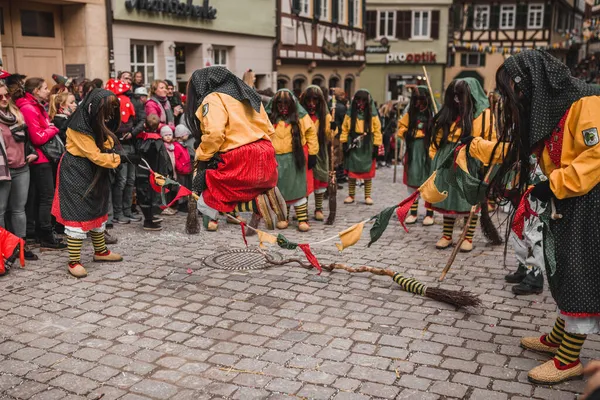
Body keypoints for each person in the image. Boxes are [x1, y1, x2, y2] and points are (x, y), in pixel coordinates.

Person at [465, 49, 600, 385]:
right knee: (562, 270)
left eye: (516, 88)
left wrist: (554, 185)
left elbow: (596, 155)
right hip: (569, 202)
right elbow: (517, 150)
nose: (516, 97)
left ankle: (568, 358)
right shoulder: (550, 110)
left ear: (532, 82)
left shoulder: (586, 102)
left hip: (589, 207)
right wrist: (475, 146)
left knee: (578, 275)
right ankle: (559, 335)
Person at [185, 66, 285, 232]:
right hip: (265, 150)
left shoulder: (213, 98)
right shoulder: (248, 95)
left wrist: (202, 155)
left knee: (209, 195)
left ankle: (257, 204)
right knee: (244, 191)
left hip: (239, 155)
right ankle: (263, 200)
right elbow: (269, 129)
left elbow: (215, 133)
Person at [52, 88, 126, 278]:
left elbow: (105, 140)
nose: (110, 115)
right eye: (107, 111)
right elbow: (94, 155)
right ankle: (74, 261)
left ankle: (100, 252)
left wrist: (113, 149)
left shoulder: (95, 119)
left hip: (93, 170)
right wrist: (118, 159)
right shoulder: (78, 126)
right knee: (78, 213)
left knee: (97, 208)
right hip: (76, 169)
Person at [427, 78, 495, 252]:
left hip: (471, 161)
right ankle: (447, 235)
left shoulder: (484, 115)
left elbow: (491, 140)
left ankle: (468, 237)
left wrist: (485, 161)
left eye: (461, 95)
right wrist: (435, 157)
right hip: (448, 160)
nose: (457, 100)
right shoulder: (449, 113)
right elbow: (437, 138)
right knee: (448, 198)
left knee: (469, 199)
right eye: (454, 95)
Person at [14, 78, 65, 250]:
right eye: (44, 88)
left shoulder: (36, 106)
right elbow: (38, 137)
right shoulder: (28, 108)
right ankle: (45, 235)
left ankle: (40, 232)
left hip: (44, 158)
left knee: (42, 198)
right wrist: (53, 128)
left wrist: (48, 128)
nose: (47, 90)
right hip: (40, 159)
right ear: (35, 91)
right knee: (46, 198)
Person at [267, 89, 318, 232]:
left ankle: (302, 219)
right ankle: (283, 217)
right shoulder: (270, 120)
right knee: (281, 190)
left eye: (286, 103)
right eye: (280, 103)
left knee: (297, 188)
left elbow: (311, 134)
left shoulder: (301, 118)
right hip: (277, 160)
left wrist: (313, 153)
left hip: (295, 158)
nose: (283, 107)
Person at [0, 80, 38, 260]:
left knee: (18, 210)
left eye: (6, 95)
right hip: (2, 171)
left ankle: (21, 246)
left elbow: (26, 140)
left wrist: (32, 153)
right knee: (1, 211)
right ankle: (3, 249)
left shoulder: (16, 114)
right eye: (0, 96)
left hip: (22, 168)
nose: (4, 99)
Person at [504, 157, 546, 296]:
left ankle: (535, 274)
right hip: (525, 175)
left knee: (534, 228)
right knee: (519, 225)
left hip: (540, 179)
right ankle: (524, 266)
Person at [105, 78, 143, 224]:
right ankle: (118, 213)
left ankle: (127, 211)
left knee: (130, 180)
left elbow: (141, 120)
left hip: (131, 144)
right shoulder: (110, 103)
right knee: (120, 181)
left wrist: (132, 133)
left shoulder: (133, 101)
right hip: (117, 146)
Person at [397, 86, 436, 226]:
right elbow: (401, 127)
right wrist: (407, 133)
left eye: (421, 100)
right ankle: (413, 213)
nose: (418, 103)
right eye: (416, 100)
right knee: (413, 182)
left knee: (429, 183)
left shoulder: (433, 114)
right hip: (413, 151)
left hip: (428, 153)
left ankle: (429, 214)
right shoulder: (410, 114)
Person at [340, 89, 382, 206]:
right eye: (358, 100)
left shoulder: (372, 115)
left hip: (367, 145)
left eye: (363, 100)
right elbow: (344, 128)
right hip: (353, 143)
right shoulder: (350, 114)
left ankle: (367, 195)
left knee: (367, 172)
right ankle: (351, 195)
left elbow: (377, 130)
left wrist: (376, 146)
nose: (361, 103)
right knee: (352, 171)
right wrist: (344, 142)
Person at [299, 86, 333, 222]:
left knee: (320, 179)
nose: (312, 103)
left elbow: (329, 137)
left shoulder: (325, 116)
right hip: (304, 151)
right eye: (309, 100)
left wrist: (332, 129)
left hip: (320, 152)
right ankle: (303, 210)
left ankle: (318, 208)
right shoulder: (300, 115)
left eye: (315, 100)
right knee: (304, 181)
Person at [136, 114, 170, 231]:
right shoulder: (158, 141)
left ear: (145, 124)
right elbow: (164, 159)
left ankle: (148, 218)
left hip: (143, 172)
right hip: (155, 173)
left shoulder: (141, 139)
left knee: (144, 195)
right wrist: (166, 171)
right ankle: (151, 219)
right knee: (154, 195)